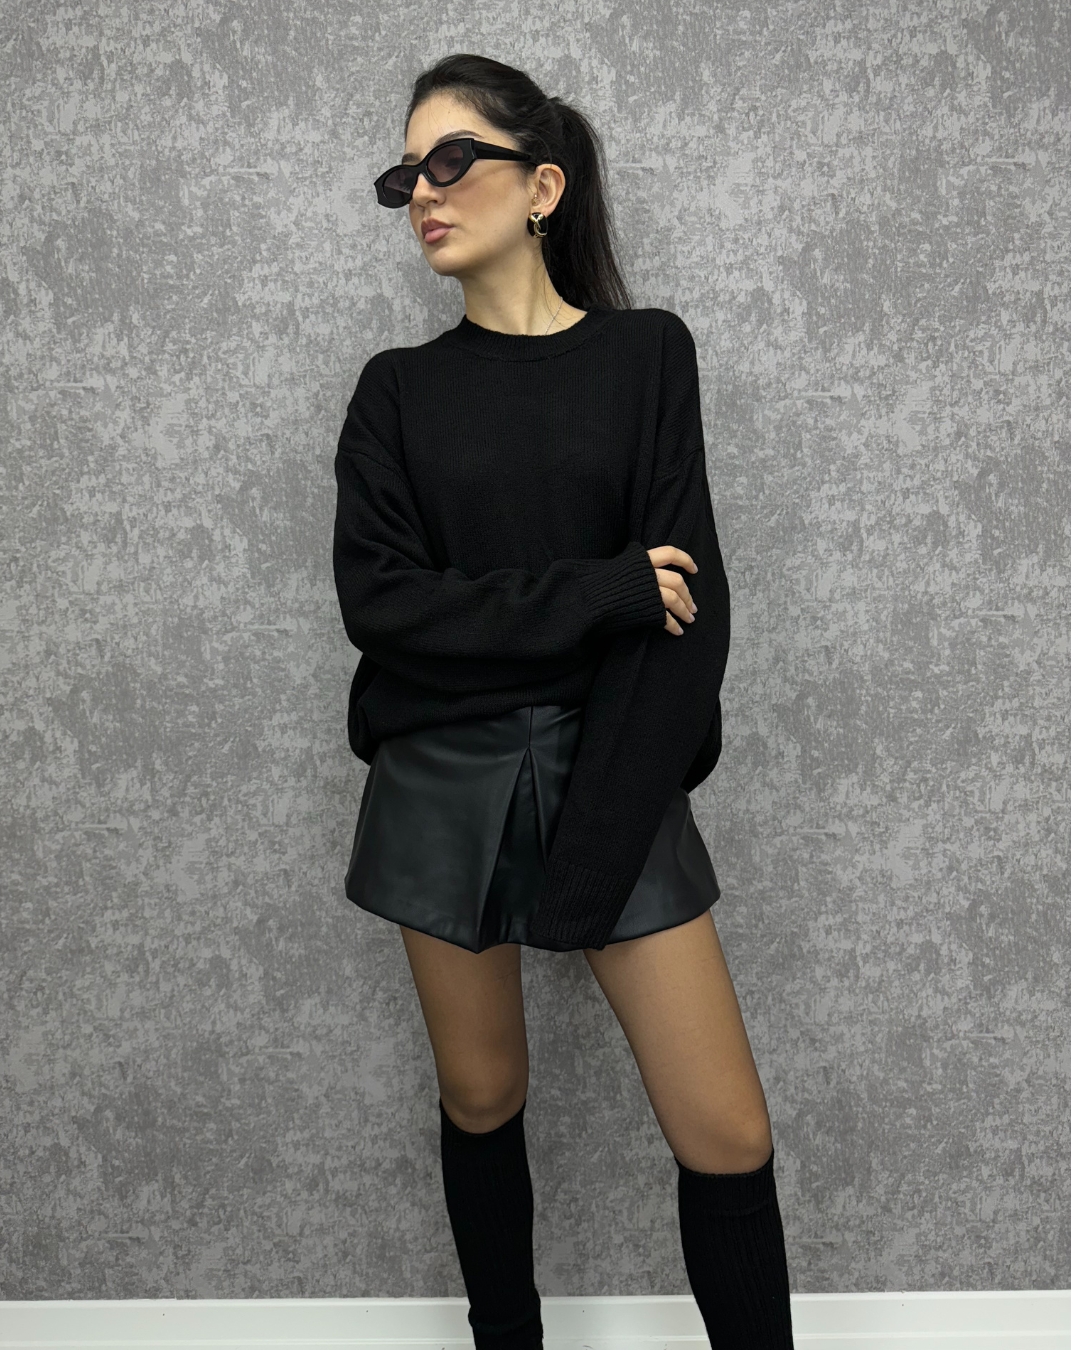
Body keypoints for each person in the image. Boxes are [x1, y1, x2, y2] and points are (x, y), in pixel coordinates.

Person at [331, 52, 794, 1350]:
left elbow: (689, 622)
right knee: (482, 1096)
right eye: (403, 176)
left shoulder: (648, 357)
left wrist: (592, 854)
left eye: (450, 160)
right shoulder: (395, 391)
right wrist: (602, 592)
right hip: (438, 781)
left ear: (543, 186)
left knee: (727, 1129)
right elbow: (386, 611)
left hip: (617, 762)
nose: (423, 193)